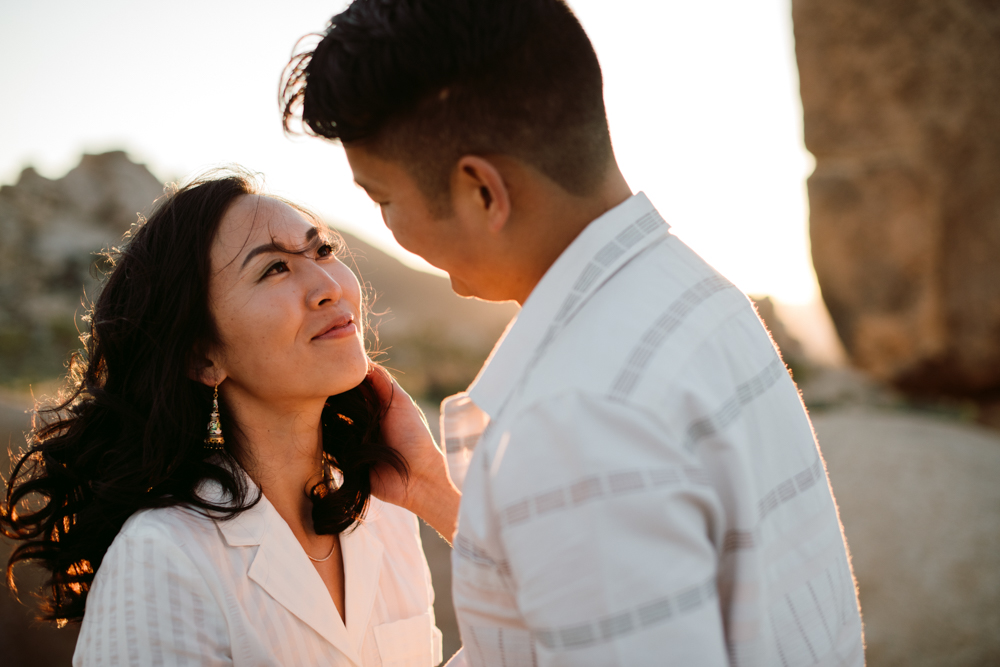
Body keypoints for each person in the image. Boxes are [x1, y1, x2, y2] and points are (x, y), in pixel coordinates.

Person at [280, 0, 866, 665]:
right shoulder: (695, 293)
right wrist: (441, 494)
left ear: (481, 192)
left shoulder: (569, 416)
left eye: (382, 198)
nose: (389, 227)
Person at [0, 169, 456, 666]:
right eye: (274, 269)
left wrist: (434, 489)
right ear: (204, 357)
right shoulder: (164, 556)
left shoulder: (384, 513)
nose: (329, 286)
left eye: (322, 251)